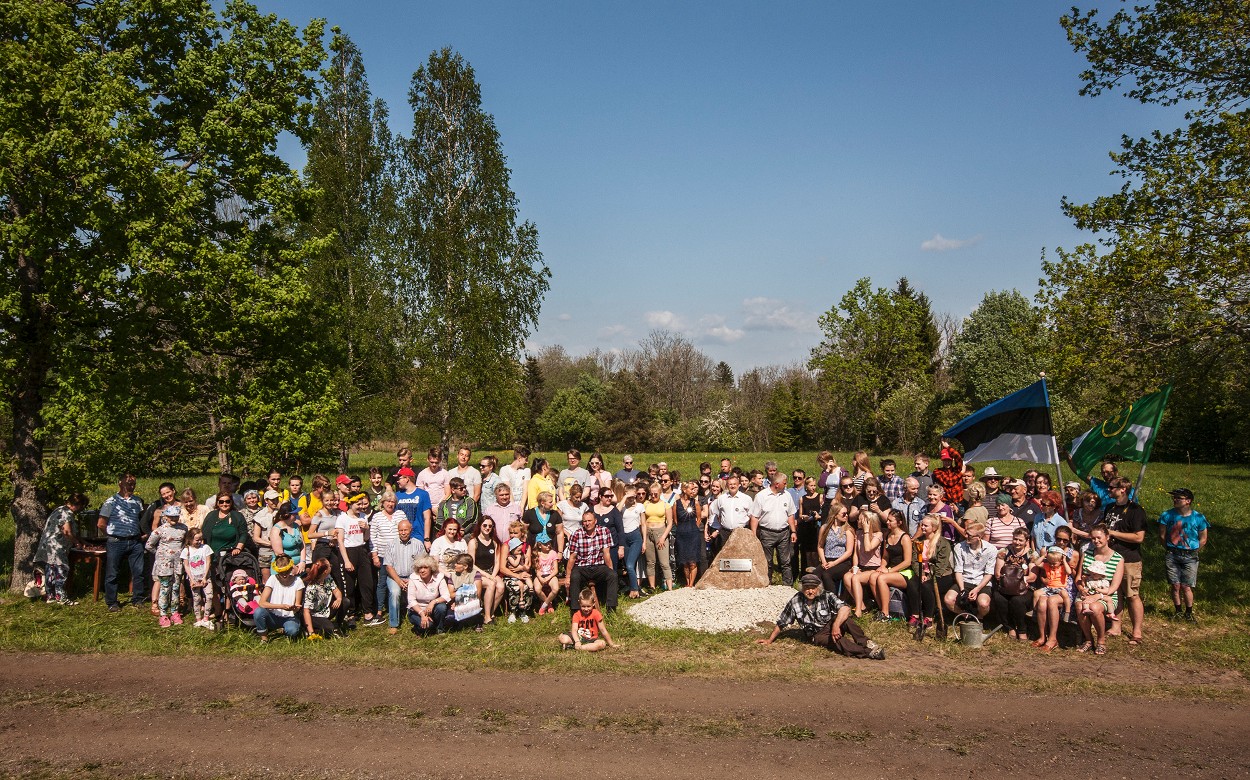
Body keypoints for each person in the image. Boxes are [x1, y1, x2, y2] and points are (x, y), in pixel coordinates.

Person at [757, 573, 885, 659]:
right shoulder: (795, 601)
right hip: (816, 634)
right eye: (807, 588)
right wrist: (769, 640)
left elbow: (845, 608)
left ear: (818, 588)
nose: (810, 591)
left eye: (813, 588)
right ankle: (869, 653)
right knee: (837, 641)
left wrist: (835, 625)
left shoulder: (827, 595)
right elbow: (782, 622)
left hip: (830, 624)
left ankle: (865, 642)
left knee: (847, 620)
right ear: (802, 588)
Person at [1101, 476, 1146, 645]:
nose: (1108, 490)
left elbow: (1138, 537)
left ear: (1122, 489)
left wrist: (1112, 533)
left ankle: (1137, 631)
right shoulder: (1110, 508)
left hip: (1129, 559)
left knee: (1132, 595)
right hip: (1111, 558)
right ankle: (1115, 626)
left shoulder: (1136, 510)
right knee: (1115, 593)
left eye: (1112, 487)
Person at [1158, 487, 1208, 622]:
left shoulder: (1198, 517)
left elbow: (1203, 538)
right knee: (1175, 585)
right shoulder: (1167, 515)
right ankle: (1178, 611)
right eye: (1174, 497)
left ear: (1188, 501)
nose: (1175, 500)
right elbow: (1162, 535)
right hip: (1172, 553)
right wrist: (1168, 547)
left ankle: (1189, 612)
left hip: (1190, 555)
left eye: (1178, 498)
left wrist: (1194, 550)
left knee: (1186, 586)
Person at [98, 473, 147, 612]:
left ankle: (137, 599)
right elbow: (101, 524)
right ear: (120, 483)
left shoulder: (137, 501)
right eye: (128, 484)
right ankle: (112, 602)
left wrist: (142, 534)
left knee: (138, 571)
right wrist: (111, 534)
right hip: (116, 541)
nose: (131, 486)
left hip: (134, 541)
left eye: (133, 484)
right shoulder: (111, 502)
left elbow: (141, 519)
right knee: (112, 573)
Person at [1075, 525, 1124, 655]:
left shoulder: (1118, 559)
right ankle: (1088, 639)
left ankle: (1101, 641)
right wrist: (1081, 588)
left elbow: (1114, 587)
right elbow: (1078, 577)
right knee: (1080, 606)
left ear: (1107, 537)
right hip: (1087, 592)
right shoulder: (1087, 554)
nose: (1096, 541)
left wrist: (1097, 596)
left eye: (1099, 537)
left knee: (1095, 608)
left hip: (1106, 596)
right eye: (1093, 538)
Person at [34, 493, 86, 606]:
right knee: (61, 570)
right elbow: (66, 531)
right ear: (77, 505)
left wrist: (83, 541)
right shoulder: (66, 513)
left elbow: (71, 531)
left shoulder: (59, 509)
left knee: (51, 570)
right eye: (81, 506)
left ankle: (51, 596)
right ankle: (61, 597)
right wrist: (76, 543)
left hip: (48, 546)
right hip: (56, 547)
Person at [335, 492, 377, 626]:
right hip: (348, 551)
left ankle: (368, 614)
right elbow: (340, 541)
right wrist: (346, 560)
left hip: (362, 550)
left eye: (361, 503)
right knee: (349, 585)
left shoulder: (363, 517)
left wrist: (366, 529)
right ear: (350, 503)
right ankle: (350, 614)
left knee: (367, 583)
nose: (360, 506)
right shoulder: (342, 518)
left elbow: (365, 538)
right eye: (357, 504)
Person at [565, 510, 619, 612]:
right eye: (585, 521)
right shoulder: (577, 534)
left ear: (595, 521)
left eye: (589, 520)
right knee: (574, 576)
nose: (587, 523)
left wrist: (610, 569)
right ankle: (575, 610)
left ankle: (611, 608)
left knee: (613, 575)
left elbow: (606, 554)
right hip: (582, 566)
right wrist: (568, 576)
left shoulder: (604, 531)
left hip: (598, 565)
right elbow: (572, 557)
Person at [145, 504, 189, 627]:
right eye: (171, 517)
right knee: (165, 588)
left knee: (176, 588)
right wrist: (160, 555)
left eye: (176, 516)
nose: (174, 519)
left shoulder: (183, 528)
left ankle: (175, 612)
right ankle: (163, 614)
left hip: (178, 563)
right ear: (166, 517)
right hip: (164, 564)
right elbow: (149, 545)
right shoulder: (160, 529)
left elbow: (185, 542)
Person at [750, 475, 797, 587]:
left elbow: (790, 514)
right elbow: (755, 516)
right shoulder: (761, 496)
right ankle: (767, 585)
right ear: (777, 484)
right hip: (767, 533)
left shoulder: (787, 495)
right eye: (784, 483)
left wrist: (793, 531)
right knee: (767, 562)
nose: (786, 485)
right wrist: (753, 533)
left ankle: (787, 586)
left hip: (784, 532)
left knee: (786, 561)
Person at [992, 527, 1037, 642]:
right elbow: (998, 573)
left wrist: (1017, 579)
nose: (1017, 542)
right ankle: (1010, 627)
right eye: (1015, 539)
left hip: (1024, 588)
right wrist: (1013, 579)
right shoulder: (1004, 551)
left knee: (1017, 601)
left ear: (1026, 541)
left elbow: (1032, 577)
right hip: (1005, 586)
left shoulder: (1032, 554)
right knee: (999, 598)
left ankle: (1022, 629)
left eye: (1020, 540)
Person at [944, 520, 996, 620]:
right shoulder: (959, 547)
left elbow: (989, 573)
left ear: (979, 537)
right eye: (966, 533)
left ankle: (979, 617)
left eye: (970, 535)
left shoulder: (991, 549)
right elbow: (958, 570)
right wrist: (962, 589)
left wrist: (977, 589)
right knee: (948, 599)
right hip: (965, 580)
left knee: (983, 604)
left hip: (981, 582)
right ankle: (965, 615)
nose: (966, 536)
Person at [869, 509, 914, 623]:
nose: (887, 522)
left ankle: (885, 613)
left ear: (899, 523)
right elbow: (885, 556)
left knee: (881, 578)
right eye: (887, 520)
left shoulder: (905, 538)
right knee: (873, 577)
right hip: (891, 569)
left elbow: (907, 562)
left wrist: (889, 571)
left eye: (890, 521)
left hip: (905, 572)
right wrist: (882, 566)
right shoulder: (887, 535)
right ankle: (883, 609)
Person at [911, 514, 954, 629]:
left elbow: (941, 565)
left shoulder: (943, 543)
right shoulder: (918, 542)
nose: (922, 527)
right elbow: (915, 560)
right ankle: (915, 614)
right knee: (912, 583)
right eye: (922, 525)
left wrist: (929, 576)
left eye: (926, 526)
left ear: (934, 528)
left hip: (941, 575)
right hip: (922, 572)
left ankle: (929, 617)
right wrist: (920, 574)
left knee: (926, 586)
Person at [382, 520, 424, 635]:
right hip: (395, 577)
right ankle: (394, 623)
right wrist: (399, 581)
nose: (403, 533)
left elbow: (422, 565)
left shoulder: (418, 544)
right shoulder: (391, 544)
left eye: (405, 530)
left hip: (414, 576)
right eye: (401, 530)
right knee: (395, 593)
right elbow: (389, 567)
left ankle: (419, 617)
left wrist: (412, 579)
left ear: (411, 530)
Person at [1032, 542, 1074, 651]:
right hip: (1049, 588)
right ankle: (1042, 636)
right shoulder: (1048, 565)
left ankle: (1053, 638)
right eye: (1050, 562)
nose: (1051, 565)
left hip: (1061, 589)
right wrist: (1044, 556)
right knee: (1041, 601)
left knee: (1051, 601)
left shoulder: (1063, 567)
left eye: (1054, 563)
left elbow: (1069, 571)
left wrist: (1064, 560)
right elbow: (1037, 563)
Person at [254, 554, 304, 642]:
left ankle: (286, 630)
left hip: (290, 616)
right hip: (272, 615)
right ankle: (264, 638)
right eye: (281, 573)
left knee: (292, 631)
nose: (284, 575)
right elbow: (262, 603)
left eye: (287, 572)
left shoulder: (298, 581)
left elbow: (297, 606)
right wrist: (281, 606)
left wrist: (294, 608)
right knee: (258, 612)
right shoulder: (272, 579)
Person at [845, 509, 883, 617]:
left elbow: (868, 548)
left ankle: (858, 611)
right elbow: (856, 553)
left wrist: (867, 531)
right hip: (862, 565)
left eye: (860, 520)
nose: (857, 521)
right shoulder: (858, 532)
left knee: (856, 578)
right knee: (847, 577)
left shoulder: (878, 534)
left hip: (873, 567)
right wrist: (855, 566)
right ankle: (861, 606)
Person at [467, 516, 501, 625]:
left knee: (500, 586)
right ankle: (487, 617)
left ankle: (490, 612)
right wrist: (488, 576)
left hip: (491, 572)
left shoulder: (494, 542)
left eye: (490, 526)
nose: (487, 528)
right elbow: (471, 564)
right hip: (477, 573)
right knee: (491, 584)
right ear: (480, 526)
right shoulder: (474, 542)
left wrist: (493, 575)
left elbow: (497, 563)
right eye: (485, 525)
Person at [499, 520, 534, 622]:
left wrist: (521, 569)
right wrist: (516, 575)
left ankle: (523, 611)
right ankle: (513, 611)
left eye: (515, 533)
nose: (512, 535)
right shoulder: (506, 546)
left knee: (528, 586)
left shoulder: (526, 546)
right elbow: (502, 567)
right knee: (515, 586)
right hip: (509, 575)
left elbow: (528, 566)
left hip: (522, 573)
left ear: (521, 533)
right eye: (511, 533)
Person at [407, 554, 450, 636]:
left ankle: (440, 629)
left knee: (442, 607)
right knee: (427, 626)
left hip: (432, 609)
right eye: (420, 568)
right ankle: (420, 627)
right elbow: (411, 600)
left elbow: (446, 596)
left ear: (431, 568)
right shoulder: (413, 578)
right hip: (416, 610)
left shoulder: (439, 577)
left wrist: (433, 602)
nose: (422, 570)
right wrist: (422, 614)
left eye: (425, 568)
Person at [815, 503, 854, 594]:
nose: (846, 515)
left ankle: (832, 599)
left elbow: (849, 551)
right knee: (815, 575)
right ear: (835, 515)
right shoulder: (825, 528)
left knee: (827, 575)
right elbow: (820, 546)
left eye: (847, 513)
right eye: (843, 514)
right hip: (827, 559)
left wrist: (834, 563)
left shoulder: (847, 530)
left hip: (842, 561)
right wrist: (824, 561)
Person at [672, 480, 703, 587]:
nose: (693, 491)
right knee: (684, 561)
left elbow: (699, 519)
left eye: (694, 489)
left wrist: (693, 528)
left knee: (693, 560)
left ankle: (691, 584)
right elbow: (675, 520)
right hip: (681, 534)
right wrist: (682, 528)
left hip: (693, 534)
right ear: (684, 490)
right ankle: (687, 582)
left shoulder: (696, 502)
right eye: (691, 489)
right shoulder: (676, 503)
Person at [642, 482, 672, 592]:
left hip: (660, 532)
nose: (653, 496)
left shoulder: (665, 505)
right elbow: (643, 522)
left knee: (664, 562)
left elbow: (669, 523)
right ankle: (652, 586)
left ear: (660, 493)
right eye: (652, 494)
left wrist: (664, 537)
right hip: (649, 532)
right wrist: (644, 539)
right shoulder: (646, 504)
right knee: (650, 562)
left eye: (656, 494)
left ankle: (669, 587)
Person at [393, 467, 433, 550]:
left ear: (407, 479)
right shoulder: (397, 495)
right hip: (402, 535)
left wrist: (427, 539)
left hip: (418, 535)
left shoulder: (423, 494)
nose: (397, 481)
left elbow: (427, 518)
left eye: (399, 478)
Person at [181, 529, 214, 629]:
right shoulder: (186, 550)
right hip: (194, 577)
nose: (199, 541)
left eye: (200, 539)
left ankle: (206, 618)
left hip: (205, 576)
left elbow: (208, 562)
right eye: (197, 540)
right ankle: (198, 618)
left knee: (209, 596)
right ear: (190, 539)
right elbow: (186, 565)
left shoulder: (205, 548)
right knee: (197, 598)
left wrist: (205, 576)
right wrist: (191, 579)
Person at [302, 558, 342, 639]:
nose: (331, 566)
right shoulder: (311, 588)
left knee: (345, 602)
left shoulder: (328, 578)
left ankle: (337, 625)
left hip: (325, 610)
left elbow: (337, 591)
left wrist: (339, 599)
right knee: (329, 628)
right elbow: (306, 610)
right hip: (313, 615)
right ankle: (310, 630)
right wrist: (311, 633)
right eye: (329, 566)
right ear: (325, 571)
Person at [619, 484, 646, 598]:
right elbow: (616, 511)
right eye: (629, 497)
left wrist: (644, 541)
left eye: (633, 497)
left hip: (635, 536)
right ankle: (635, 588)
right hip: (624, 537)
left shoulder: (639, 506)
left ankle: (634, 590)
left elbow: (643, 524)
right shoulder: (622, 507)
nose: (631, 499)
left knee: (630, 565)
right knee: (630, 565)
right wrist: (625, 498)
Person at [531, 532, 559, 617]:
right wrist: (540, 578)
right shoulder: (537, 555)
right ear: (540, 545)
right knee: (537, 589)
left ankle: (544, 605)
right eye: (545, 544)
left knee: (555, 589)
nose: (548, 545)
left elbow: (555, 569)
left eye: (549, 543)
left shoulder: (553, 553)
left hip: (550, 574)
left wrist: (549, 577)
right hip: (541, 575)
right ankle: (548, 603)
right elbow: (537, 570)